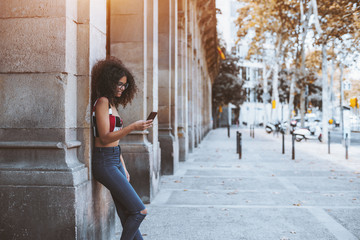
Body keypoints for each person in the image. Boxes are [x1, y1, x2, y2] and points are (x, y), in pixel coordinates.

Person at [91, 57, 153, 240]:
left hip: (114, 160)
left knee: (127, 214)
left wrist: (123, 165)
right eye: (119, 83)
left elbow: (115, 142)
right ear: (109, 81)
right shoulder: (102, 102)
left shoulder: (112, 104)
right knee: (139, 211)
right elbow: (105, 137)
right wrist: (133, 127)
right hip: (104, 162)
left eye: (125, 85)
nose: (121, 88)